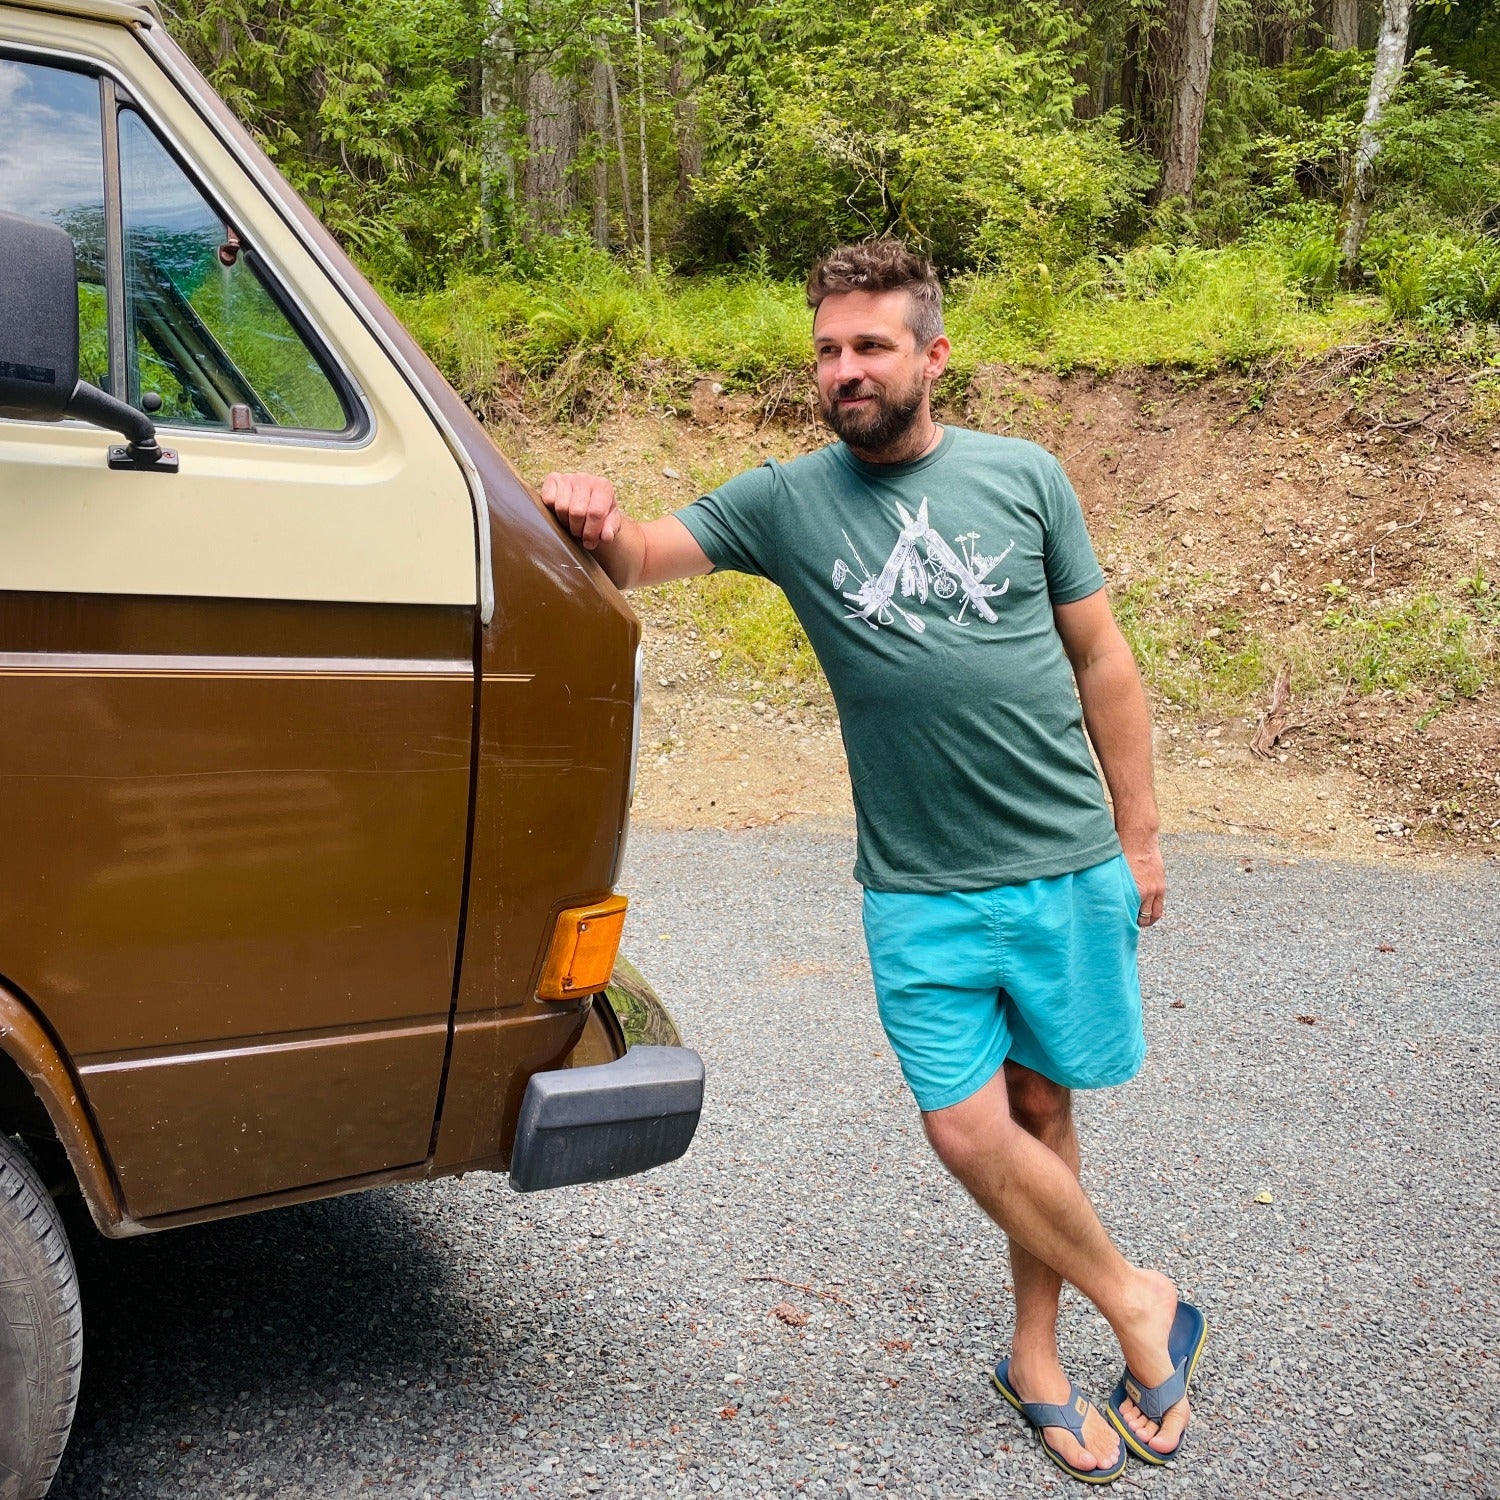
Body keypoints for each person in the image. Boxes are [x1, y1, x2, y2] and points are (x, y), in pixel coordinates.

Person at [540, 239, 1205, 1485]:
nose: (845, 370)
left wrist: (1141, 833)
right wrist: (590, 510)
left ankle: (1036, 1353)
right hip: (916, 886)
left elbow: (1102, 659)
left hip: (1062, 860)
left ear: (932, 355)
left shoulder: (1025, 479)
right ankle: (1139, 1297)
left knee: (1043, 1110)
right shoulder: (788, 501)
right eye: (829, 350)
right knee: (968, 1130)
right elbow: (635, 555)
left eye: (871, 346)